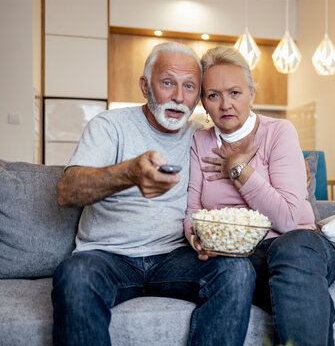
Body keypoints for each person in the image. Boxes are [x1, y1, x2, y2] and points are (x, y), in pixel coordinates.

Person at [52, 42, 255, 346]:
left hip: (175, 257)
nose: (178, 97)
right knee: (74, 274)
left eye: (189, 87)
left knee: (237, 270)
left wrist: (295, 169)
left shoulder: (201, 135)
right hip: (108, 257)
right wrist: (129, 173)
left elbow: (252, 154)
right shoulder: (110, 126)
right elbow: (67, 192)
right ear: (145, 86)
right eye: (168, 83)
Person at [185, 46, 335, 346]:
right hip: (242, 257)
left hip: (302, 247)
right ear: (203, 102)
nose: (225, 104)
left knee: (293, 252)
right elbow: (192, 212)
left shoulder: (279, 131)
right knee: (254, 279)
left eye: (235, 92)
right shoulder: (199, 141)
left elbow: (287, 218)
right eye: (213, 95)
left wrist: (239, 169)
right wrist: (197, 239)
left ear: (252, 94)